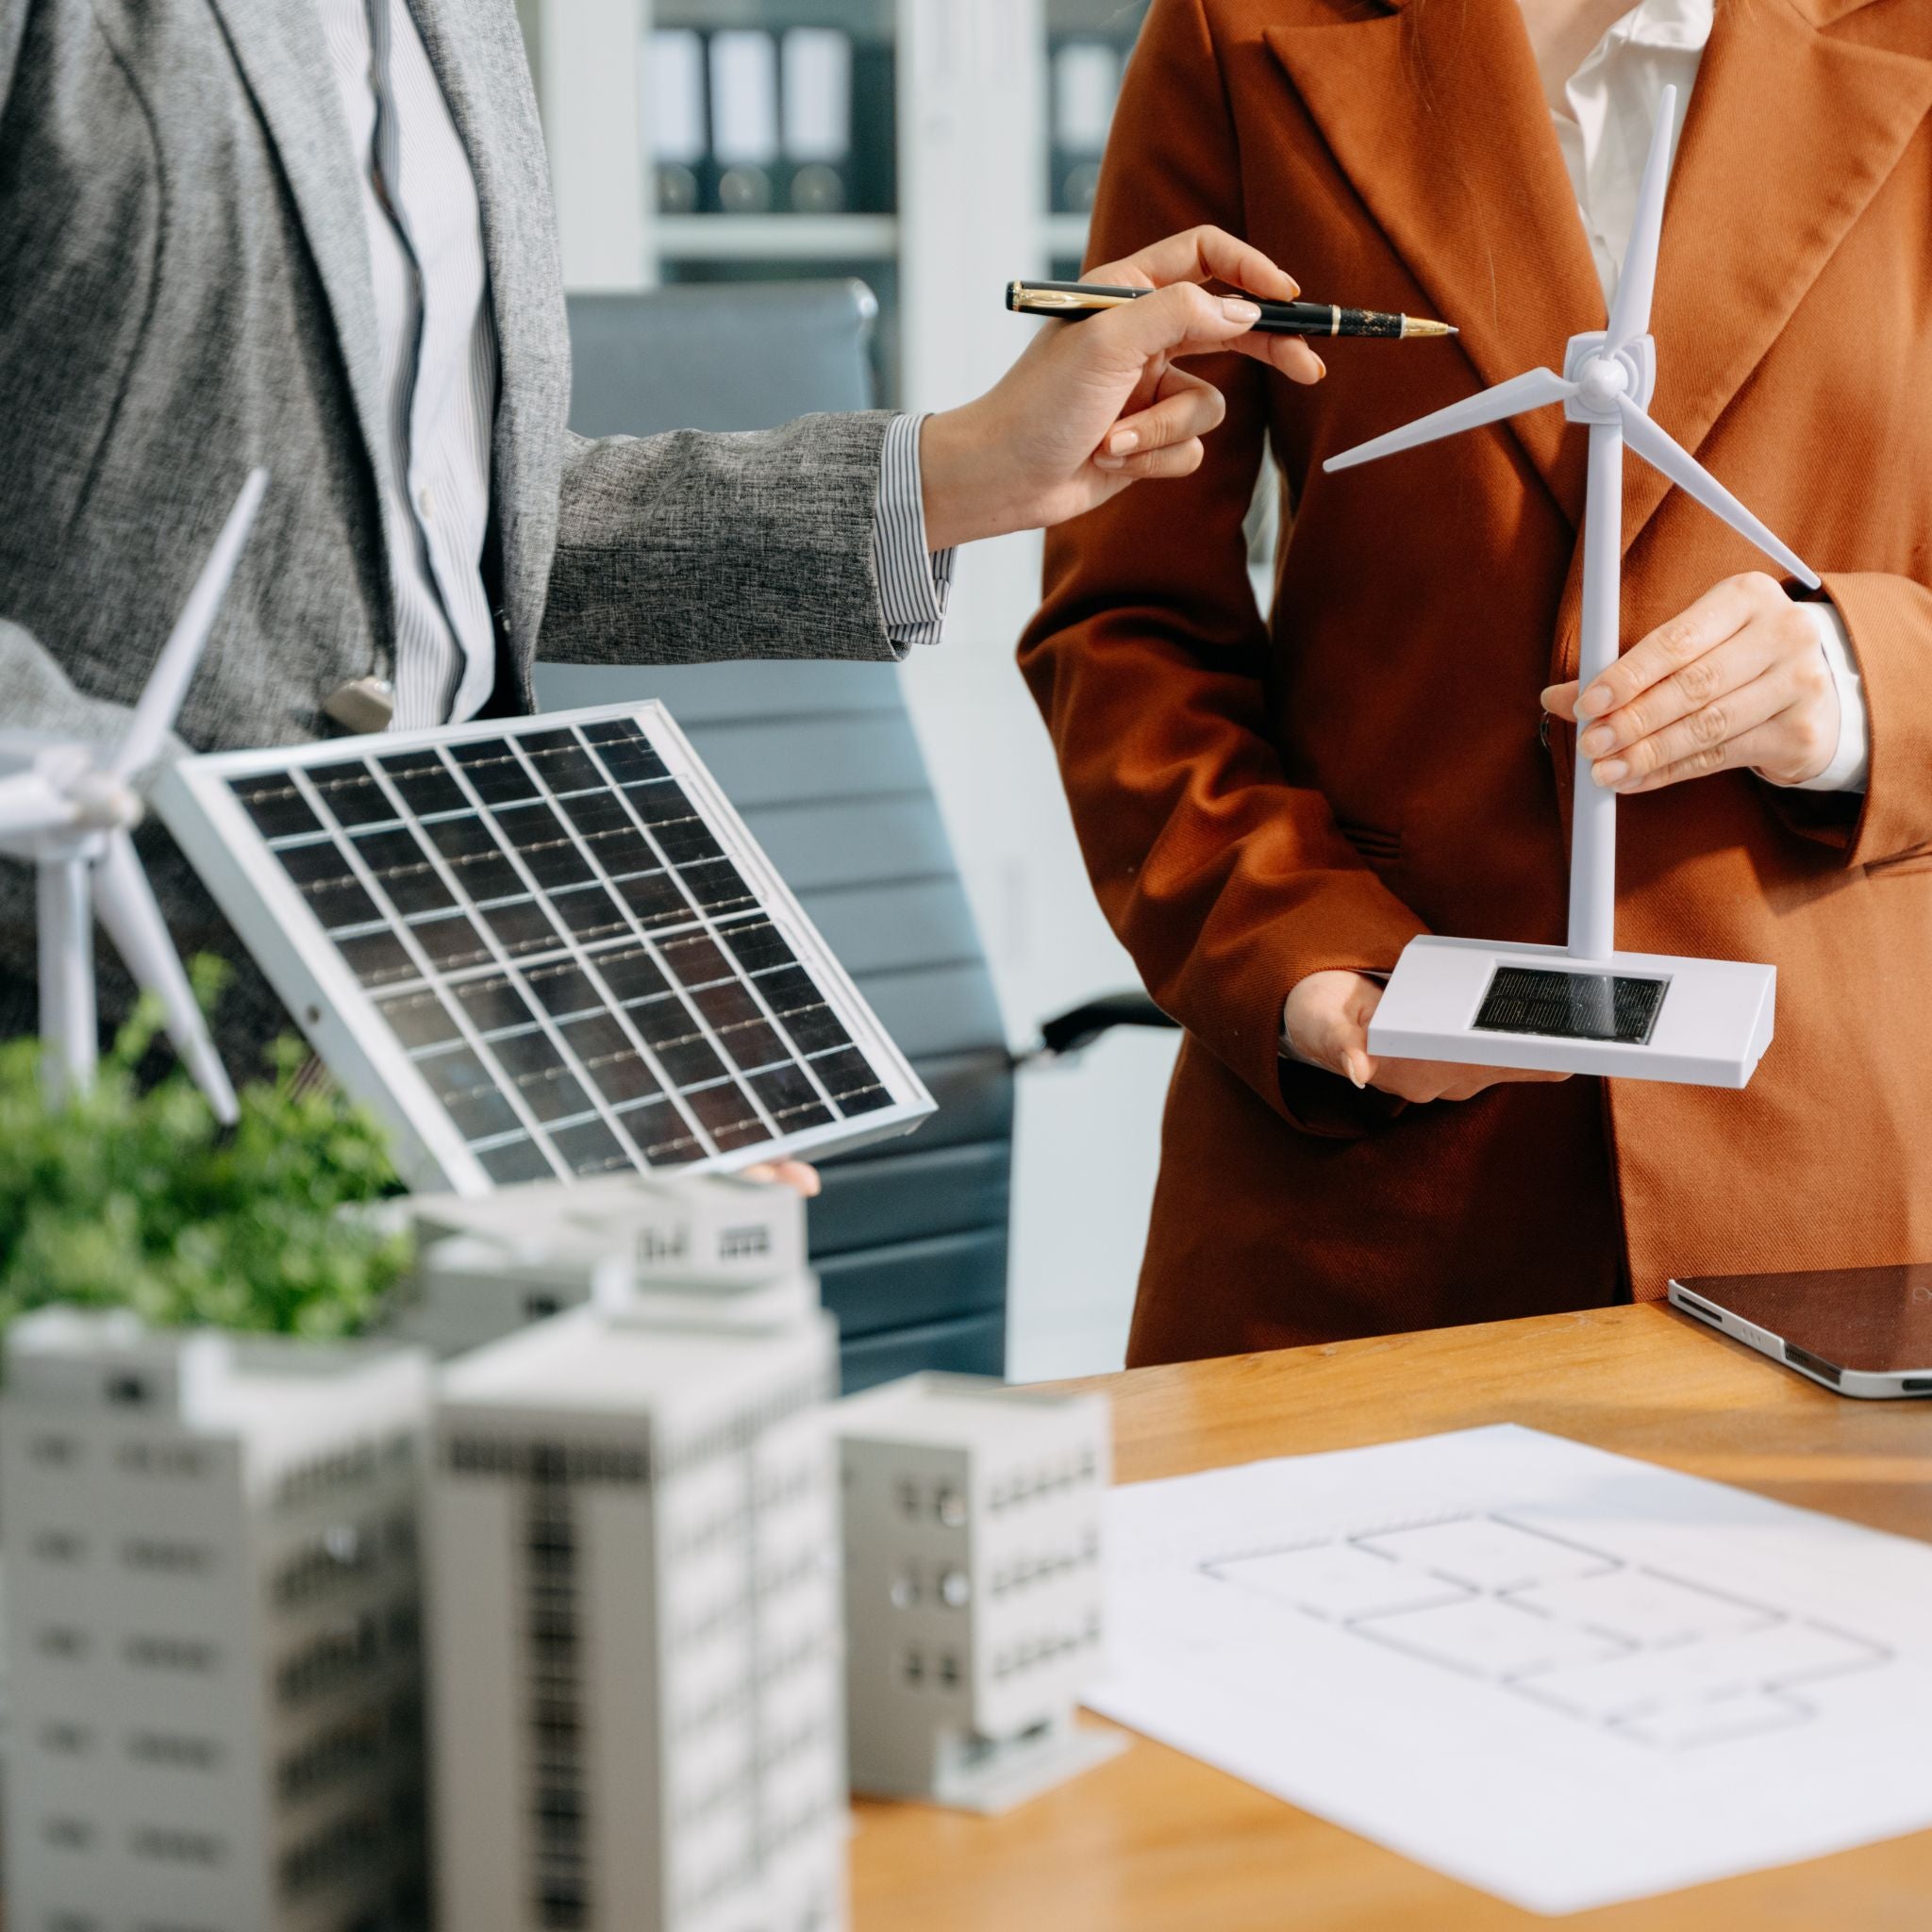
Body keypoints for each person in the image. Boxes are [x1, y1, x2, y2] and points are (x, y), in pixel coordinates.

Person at [0, 0, 1321, 1079]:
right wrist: (242, 885)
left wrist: (958, 472)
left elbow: (466, 525)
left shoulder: (456, 27)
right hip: (99, 1050)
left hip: (436, 1029)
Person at [1021, 0, 1932, 1363]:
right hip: (1374, 1164)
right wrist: (1301, 956)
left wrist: (1868, 684)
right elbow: (1128, 613)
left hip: (1824, 1180)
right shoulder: (1240, 35)